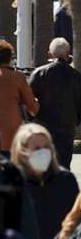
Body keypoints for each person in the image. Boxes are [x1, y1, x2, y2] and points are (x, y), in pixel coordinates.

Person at [10, 123, 79, 239]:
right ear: (22, 153)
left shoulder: (66, 180)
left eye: (46, 147)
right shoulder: (13, 185)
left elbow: (76, 223)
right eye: (36, 148)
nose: (42, 152)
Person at [28, 37, 81, 168]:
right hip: (67, 127)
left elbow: (29, 99)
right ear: (68, 54)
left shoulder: (39, 73)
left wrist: (32, 119)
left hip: (44, 126)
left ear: (49, 54)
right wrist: (76, 120)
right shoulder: (75, 75)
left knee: (43, 166)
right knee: (63, 166)